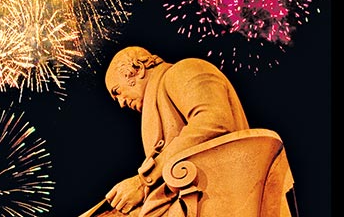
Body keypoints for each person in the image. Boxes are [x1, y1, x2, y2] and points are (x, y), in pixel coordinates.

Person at [81, 46, 294, 217]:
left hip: (210, 197)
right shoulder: (160, 98)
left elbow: (214, 121)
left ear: (136, 69)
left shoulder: (183, 70)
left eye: (117, 92)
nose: (120, 103)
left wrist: (143, 181)